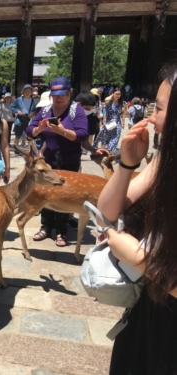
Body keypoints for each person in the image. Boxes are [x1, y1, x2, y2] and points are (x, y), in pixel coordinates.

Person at [97, 65, 177, 374]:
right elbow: (109, 210)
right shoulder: (164, 162)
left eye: (158, 108)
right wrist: (127, 163)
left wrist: (134, 254)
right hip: (150, 309)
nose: (151, 117)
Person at [26, 76, 88, 247]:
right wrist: (40, 128)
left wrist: (63, 132)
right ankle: (46, 226)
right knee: (45, 193)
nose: (59, 98)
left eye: (62, 95)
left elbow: (82, 134)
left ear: (69, 93)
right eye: (55, 95)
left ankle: (61, 229)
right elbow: (29, 131)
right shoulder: (45, 110)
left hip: (69, 162)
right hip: (49, 162)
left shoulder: (76, 111)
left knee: (65, 194)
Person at [94, 89, 126, 153]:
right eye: (116, 94)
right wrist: (112, 95)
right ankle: (102, 153)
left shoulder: (122, 103)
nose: (118, 96)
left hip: (117, 123)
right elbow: (106, 99)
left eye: (119, 94)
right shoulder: (109, 102)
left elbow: (123, 114)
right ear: (113, 94)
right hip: (109, 122)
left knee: (115, 139)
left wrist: (123, 122)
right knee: (105, 139)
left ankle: (109, 152)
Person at [11, 83, 37, 148]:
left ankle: (29, 150)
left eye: (29, 91)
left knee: (30, 136)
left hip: (29, 120)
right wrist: (17, 111)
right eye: (26, 91)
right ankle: (16, 149)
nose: (27, 92)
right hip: (20, 119)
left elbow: (37, 109)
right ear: (23, 91)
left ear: (31, 92)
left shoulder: (34, 101)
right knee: (17, 136)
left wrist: (33, 113)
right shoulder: (19, 99)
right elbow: (12, 106)